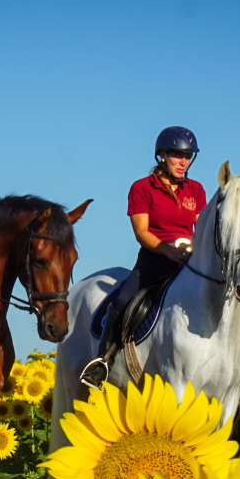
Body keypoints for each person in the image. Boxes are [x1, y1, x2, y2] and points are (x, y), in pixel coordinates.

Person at [79, 126, 206, 389]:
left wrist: (194, 248)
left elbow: (201, 227)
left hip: (188, 261)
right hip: (154, 259)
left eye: (188, 157)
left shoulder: (196, 189)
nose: (184, 163)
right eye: (177, 156)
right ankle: (103, 362)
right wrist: (169, 250)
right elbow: (141, 232)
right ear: (161, 155)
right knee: (123, 300)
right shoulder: (142, 188)